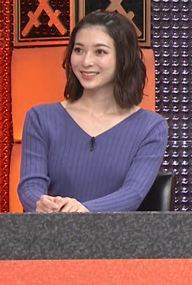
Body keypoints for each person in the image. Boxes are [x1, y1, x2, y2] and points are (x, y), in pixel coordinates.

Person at [17, 11, 168, 212]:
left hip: (115, 231)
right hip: (51, 228)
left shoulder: (151, 127)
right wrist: (41, 203)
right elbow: (30, 185)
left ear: (122, 58)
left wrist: (81, 210)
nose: (86, 61)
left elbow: (133, 193)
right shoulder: (40, 118)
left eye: (100, 52)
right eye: (79, 50)